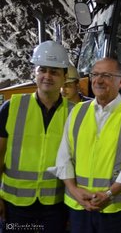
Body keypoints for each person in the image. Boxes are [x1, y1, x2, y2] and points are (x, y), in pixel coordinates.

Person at [49, 57, 121, 233]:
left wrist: (109, 194)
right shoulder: (77, 111)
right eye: (95, 74)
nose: (98, 80)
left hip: (116, 209)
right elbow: (64, 157)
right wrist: (74, 190)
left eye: (106, 75)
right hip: (79, 207)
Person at [0, 40, 71, 232]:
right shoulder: (11, 108)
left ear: (65, 76)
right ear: (35, 73)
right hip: (16, 204)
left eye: (54, 71)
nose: (47, 76)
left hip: (55, 205)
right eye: (42, 70)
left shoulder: (75, 113)